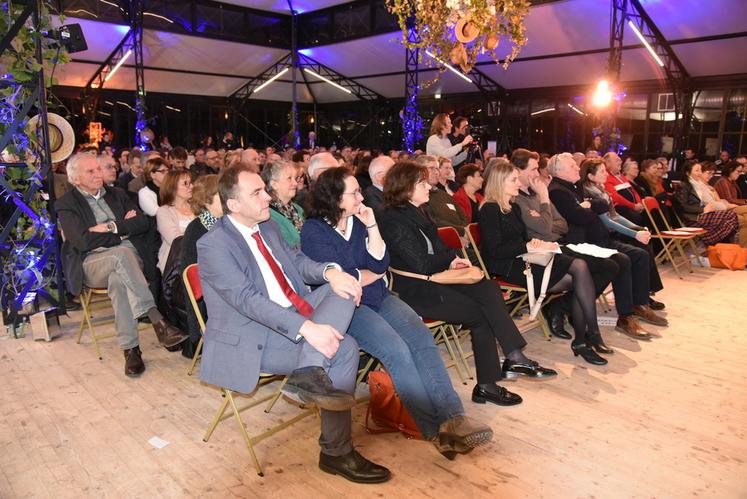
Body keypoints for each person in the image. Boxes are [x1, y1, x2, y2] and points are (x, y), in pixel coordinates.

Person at [197, 164, 390, 483]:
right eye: (257, 193)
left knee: (343, 285)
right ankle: (336, 452)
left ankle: (308, 370)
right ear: (233, 205)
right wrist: (307, 328)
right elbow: (248, 301)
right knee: (345, 349)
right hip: (255, 334)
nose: (267, 198)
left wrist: (330, 272)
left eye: (265, 190)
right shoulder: (213, 245)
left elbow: (297, 263)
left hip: (294, 310)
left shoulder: (268, 225)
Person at [301, 167, 493, 457]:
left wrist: (372, 227)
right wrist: (364, 273)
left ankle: (454, 417)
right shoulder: (314, 230)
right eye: (354, 192)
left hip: (379, 296)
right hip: (347, 308)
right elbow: (340, 277)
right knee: (397, 351)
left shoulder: (358, 221)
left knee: (423, 342)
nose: (361, 196)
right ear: (334, 198)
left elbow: (379, 266)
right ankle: (433, 429)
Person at [379, 161, 557, 408]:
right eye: (422, 183)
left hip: (440, 279)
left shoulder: (419, 210)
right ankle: (489, 384)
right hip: (418, 289)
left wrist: (452, 260)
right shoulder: (392, 219)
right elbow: (421, 264)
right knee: (480, 313)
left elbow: (440, 250)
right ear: (405, 187)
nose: (428, 187)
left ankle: (513, 357)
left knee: (488, 288)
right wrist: (451, 258)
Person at [57, 153, 188, 376]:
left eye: (98, 169)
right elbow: (82, 241)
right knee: (120, 254)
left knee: (119, 277)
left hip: (129, 259)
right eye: (91, 171)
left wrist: (109, 228)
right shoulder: (66, 204)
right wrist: (121, 229)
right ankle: (156, 319)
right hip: (92, 262)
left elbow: (142, 223)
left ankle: (132, 350)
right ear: (75, 179)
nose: (98, 174)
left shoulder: (118, 194)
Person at [479, 161, 611, 364]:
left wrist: (533, 243)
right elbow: (495, 251)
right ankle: (588, 337)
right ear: (499, 182)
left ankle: (584, 339)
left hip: (526, 258)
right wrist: (528, 247)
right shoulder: (489, 209)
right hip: (507, 266)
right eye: (513, 180)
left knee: (581, 272)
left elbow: (522, 239)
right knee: (580, 271)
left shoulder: (512, 207)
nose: (518, 183)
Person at [547, 153, 667, 340]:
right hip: (579, 244)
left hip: (596, 239)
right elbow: (581, 216)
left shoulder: (574, 185)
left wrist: (589, 204)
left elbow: (600, 206)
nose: (578, 168)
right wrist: (588, 206)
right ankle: (623, 316)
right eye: (572, 166)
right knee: (621, 261)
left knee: (640, 255)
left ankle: (639, 304)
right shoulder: (557, 190)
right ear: (559, 171)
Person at [580, 158, 665, 301]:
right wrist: (634, 233)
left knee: (643, 246)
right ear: (590, 176)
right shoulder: (589, 193)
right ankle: (641, 297)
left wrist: (635, 228)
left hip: (610, 232)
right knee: (639, 250)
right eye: (602, 171)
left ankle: (644, 293)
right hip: (600, 237)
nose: (606, 174)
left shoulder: (600, 189)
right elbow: (607, 221)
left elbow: (615, 215)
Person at [180, 174, 222, 359]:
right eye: (221, 194)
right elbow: (193, 277)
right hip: (211, 298)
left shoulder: (229, 224)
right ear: (207, 200)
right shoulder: (196, 230)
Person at [675, 160, 740, 246]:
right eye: (696, 170)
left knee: (731, 219)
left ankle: (707, 239)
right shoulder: (683, 185)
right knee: (730, 216)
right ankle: (707, 241)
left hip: (702, 214)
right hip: (692, 217)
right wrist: (702, 209)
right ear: (688, 173)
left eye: (700, 170)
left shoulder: (697, 185)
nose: (699, 173)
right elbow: (682, 206)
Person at [416, 155, 469, 237]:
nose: (436, 172)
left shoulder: (443, 193)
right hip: (444, 240)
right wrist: (460, 232)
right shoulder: (420, 197)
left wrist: (465, 231)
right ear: (419, 171)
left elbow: (462, 215)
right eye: (431, 168)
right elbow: (433, 221)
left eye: (437, 169)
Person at [156, 170, 195, 272]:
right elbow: (175, 240)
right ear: (173, 187)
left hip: (200, 259)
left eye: (191, 183)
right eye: (186, 184)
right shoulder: (164, 212)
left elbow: (211, 230)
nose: (191, 186)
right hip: (176, 265)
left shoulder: (198, 207)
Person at [261, 159, 304, 247]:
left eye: (295, 178)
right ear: (274, 184)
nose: (295, 183)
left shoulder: (297, 209)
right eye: (289, 178)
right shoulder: (268, 215)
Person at [602, 152, 644, 225]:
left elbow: (633, 191)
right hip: (621, 210)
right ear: (608, 163)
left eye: (620, 160)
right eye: (617, 160)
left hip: (633, 208)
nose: (620, 162)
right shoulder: (606, 177)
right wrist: (633, 206)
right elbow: (615, 197)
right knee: (636, 218)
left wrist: (639, 203)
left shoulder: (620, 176)